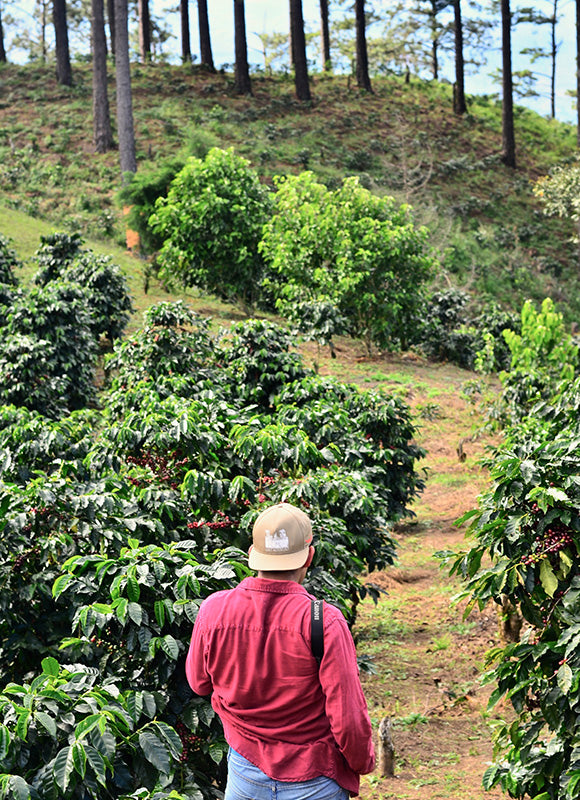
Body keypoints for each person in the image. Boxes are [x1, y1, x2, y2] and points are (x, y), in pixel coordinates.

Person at [185, 501, 376, 799]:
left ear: (251, 555)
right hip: (314, 779)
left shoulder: (214, 610)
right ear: (309, 556)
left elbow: (198, 683)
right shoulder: (322, 621)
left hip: (245, 775)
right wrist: (361, 762)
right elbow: (348, 717)